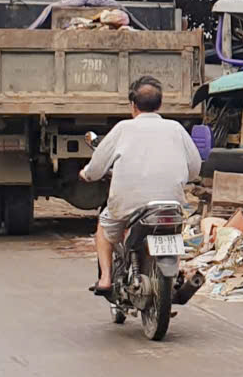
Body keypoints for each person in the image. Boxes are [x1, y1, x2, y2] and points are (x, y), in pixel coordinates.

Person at [79, 75, 201, 298]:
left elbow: (96, 168)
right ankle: (172, 274)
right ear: (160, 105)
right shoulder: (176, 129)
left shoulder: (123, 128)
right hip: (170, 205)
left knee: (104, 229)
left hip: (129, 205)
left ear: (133, 105)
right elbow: (195, 169)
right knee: (173, 232)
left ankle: (105, 278)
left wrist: (86, 174)